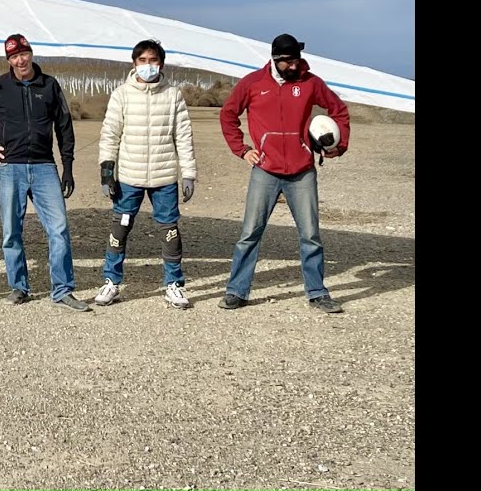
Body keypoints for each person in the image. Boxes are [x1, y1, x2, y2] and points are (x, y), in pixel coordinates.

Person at [218, 33, 351, 313]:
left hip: (302, 172)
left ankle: (317, 292)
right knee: (250, 232)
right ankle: (236, 291)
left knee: (310, 234)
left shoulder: (310, 83)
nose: (293, 67)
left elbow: (338, 110)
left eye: (296, 61)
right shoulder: (253, 83)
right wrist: (241, 149)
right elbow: (228, 114)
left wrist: (338, 145)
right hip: (265, 170)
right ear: (275, 60)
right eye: (287, 62)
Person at [0, 34, 90, 312]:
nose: (21, 60)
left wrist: (68, 166)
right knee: (11, 231)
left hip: (44, 166)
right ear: (8, 60)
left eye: (24, 53)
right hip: (9, 168)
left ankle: (62, 290)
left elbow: (64, 126)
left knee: (59, 229)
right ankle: (19, 287)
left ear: (31, 53)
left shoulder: (49, 85)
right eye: (14, 56)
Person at [94, 39, 197, 309]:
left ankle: (174, 284)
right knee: (121, 228)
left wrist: (189, 173)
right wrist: (107, 172)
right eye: (142, 60)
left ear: (160, 63)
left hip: (164, 179)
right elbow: (110, 135)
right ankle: (111, 282)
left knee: (169, 231)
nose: (147, 66)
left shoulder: (173, 95)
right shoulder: (121, 95)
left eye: (152, 60)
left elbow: (183, 137)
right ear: (134, 63)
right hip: (129, 177)